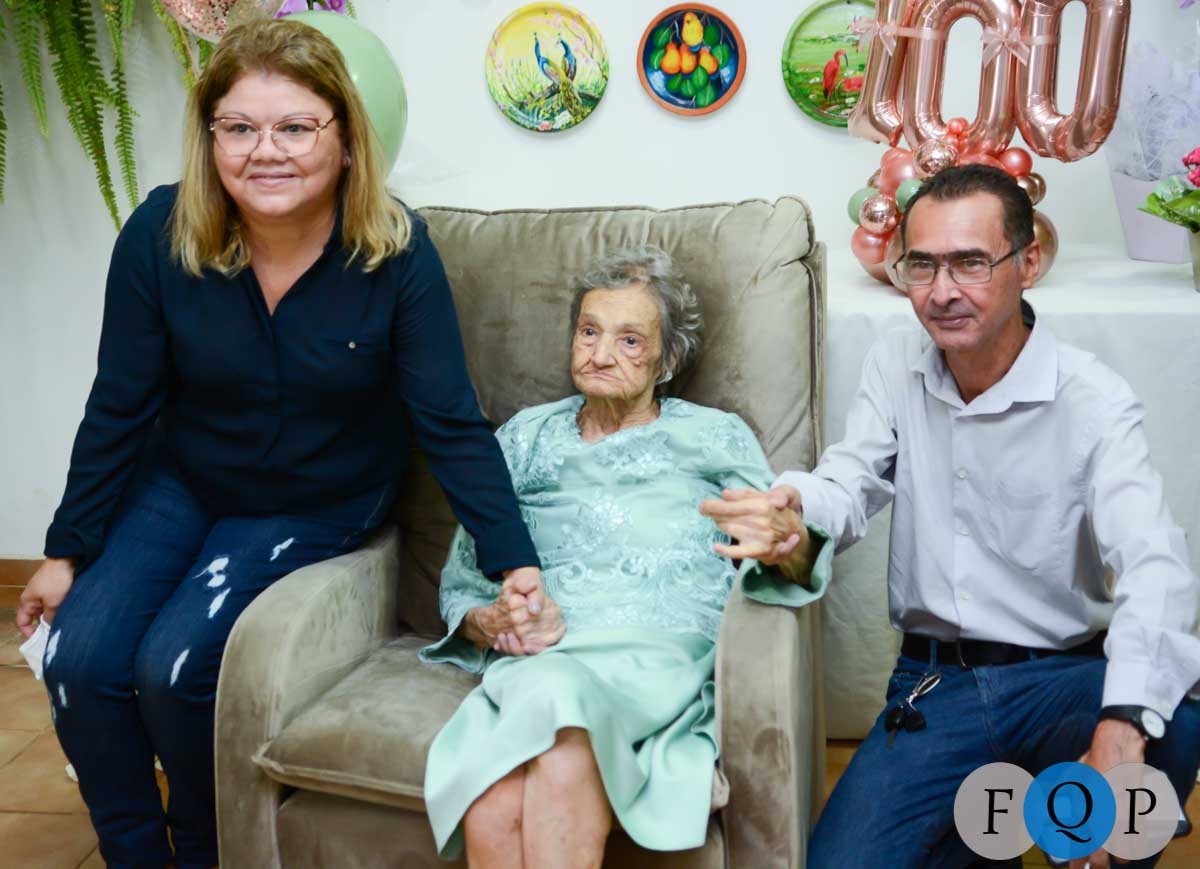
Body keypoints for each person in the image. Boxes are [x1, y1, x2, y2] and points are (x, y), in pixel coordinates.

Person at [15, 19, 541, 869]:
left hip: (318, 496)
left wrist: (515, 559)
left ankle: (205, 849)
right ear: (210, 138)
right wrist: (66, 550)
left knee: (172, 666)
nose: (266, 151)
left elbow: (449, 420)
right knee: (80, 657)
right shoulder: (158, 234)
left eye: (296, 127)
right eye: (239, 127)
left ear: (345, 140)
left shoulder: (397, 251)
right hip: (183, 479)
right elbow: (119, 403)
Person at [708, 164, 1200, 868]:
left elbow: (1155, 565)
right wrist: (797, 513)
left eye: (970, 262)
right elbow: (849, 482)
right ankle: (988, 836)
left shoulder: (1094, 398)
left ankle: (1083, 838)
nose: (942, 292)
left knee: (1172, 719)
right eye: (922, 265)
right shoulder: (896, 363)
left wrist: (1120, 727)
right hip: (938, 687)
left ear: (1028, 262)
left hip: (1062, 681)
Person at [418, 246, 831, 868]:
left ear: (668, 361)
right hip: (545, 656)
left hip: (656, 656)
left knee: (545, 735)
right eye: (589, 331)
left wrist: (787, 541)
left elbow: (782, 550)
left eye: (630, 340)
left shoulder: (712, 435)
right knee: (495, 796)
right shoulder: (523, 437)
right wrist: (494, 622)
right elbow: (463, 583)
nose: (601, 353)